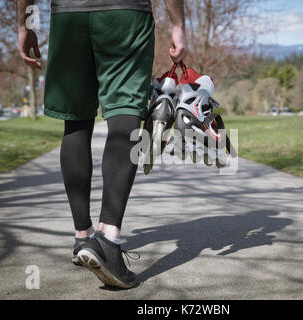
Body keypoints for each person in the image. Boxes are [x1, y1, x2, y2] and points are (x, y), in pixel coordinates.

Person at [16, 0, 187, 289]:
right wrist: (178, 25)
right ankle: (107, 239)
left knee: (76, 121)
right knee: (125, 114)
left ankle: (82, 236)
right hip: (125, 15)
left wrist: (25, 24)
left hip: (68, 16)